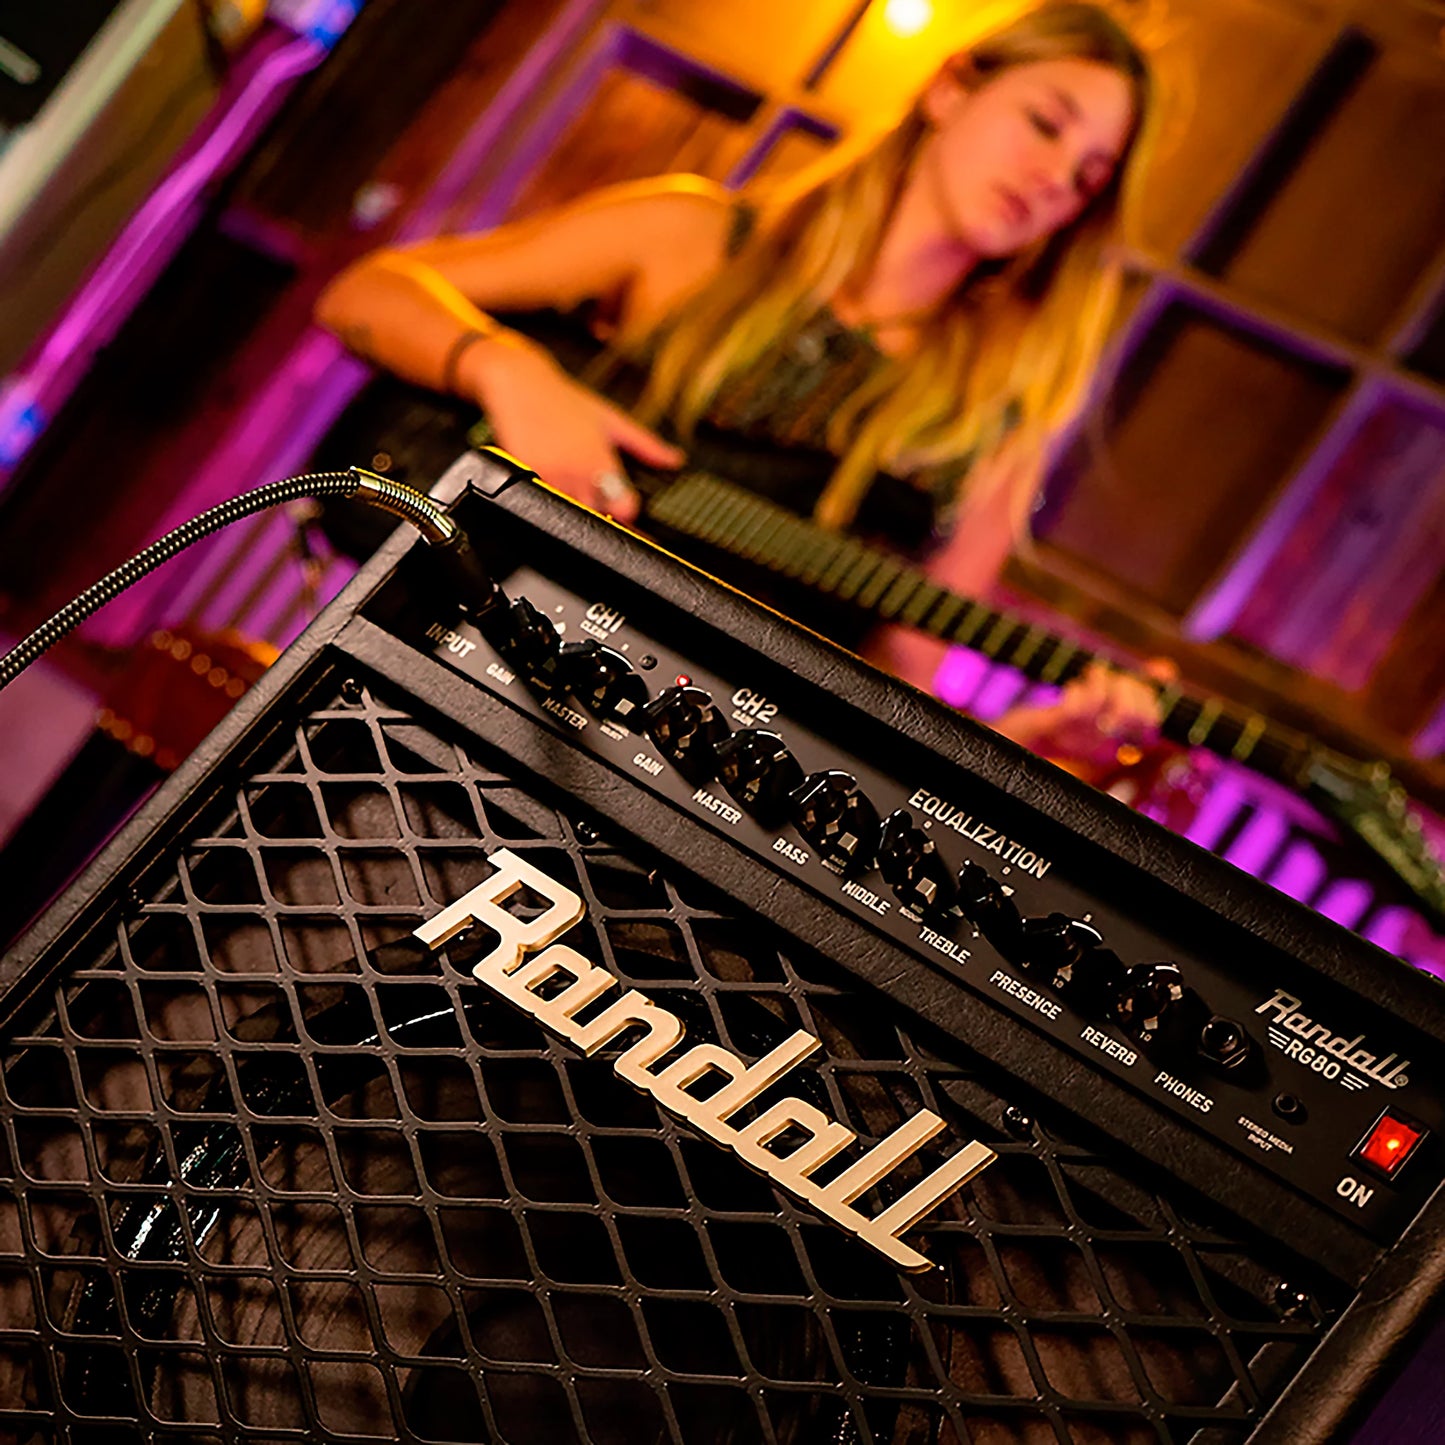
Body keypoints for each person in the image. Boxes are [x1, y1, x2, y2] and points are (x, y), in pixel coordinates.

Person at [315, 0, 1164, 760]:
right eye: (1046, 125)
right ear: (950, 89)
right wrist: (513, 374)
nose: (1055, 180)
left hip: (660, 774)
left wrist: (1037, 744)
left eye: (1087, 178)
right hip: (445, 687)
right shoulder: (692, 234)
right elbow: (366, 292)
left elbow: (900, 696)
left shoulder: (996, 423)